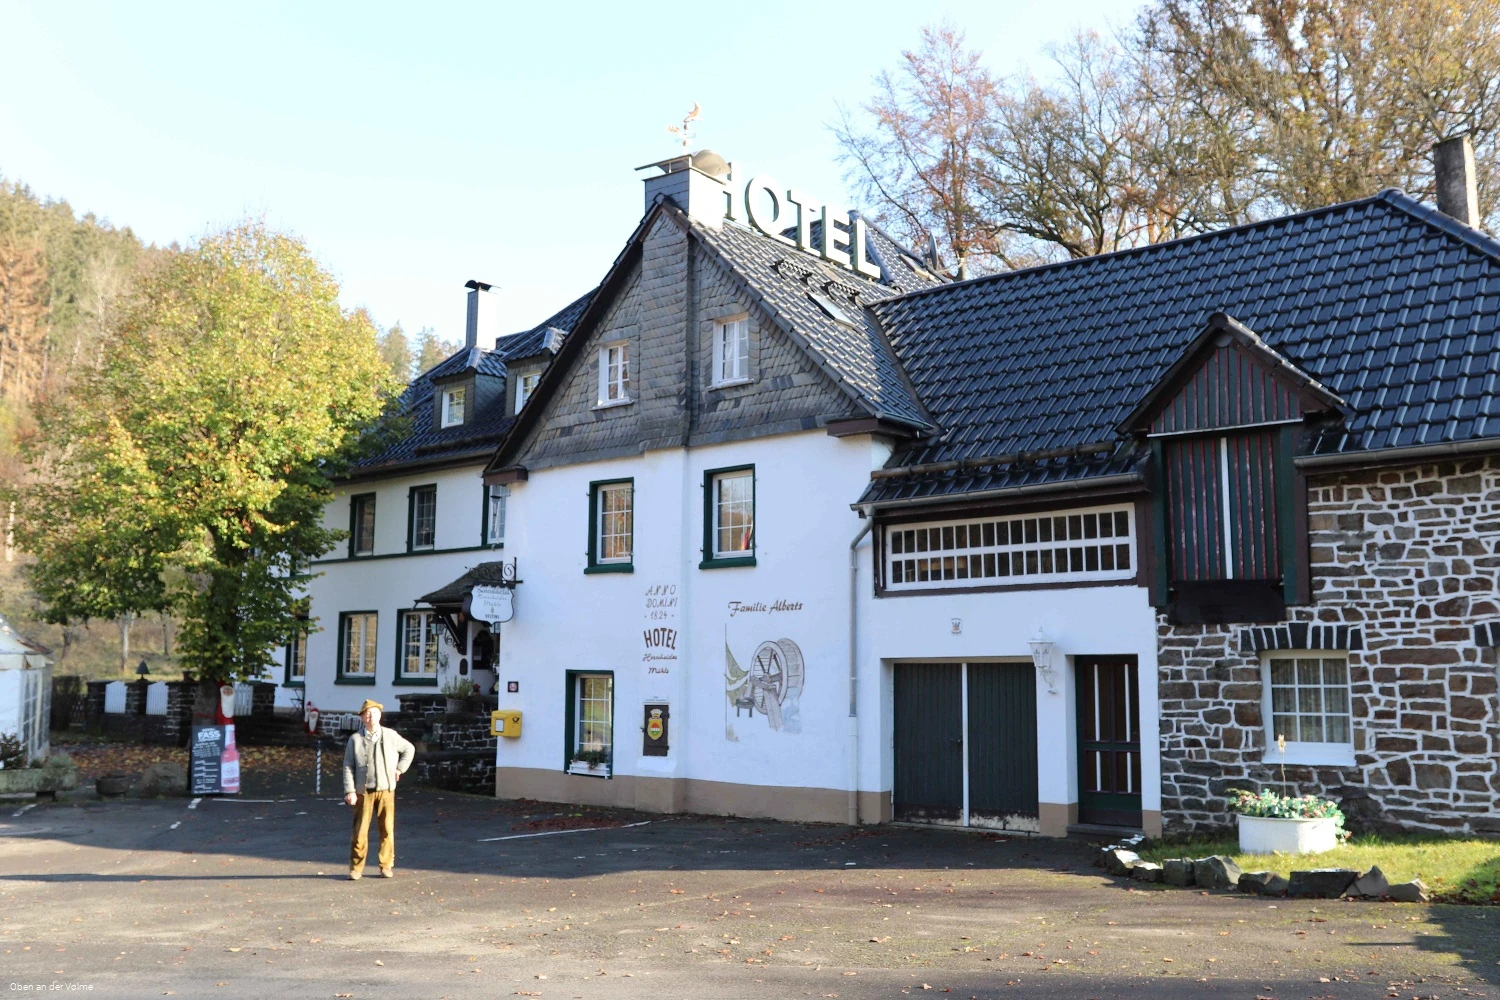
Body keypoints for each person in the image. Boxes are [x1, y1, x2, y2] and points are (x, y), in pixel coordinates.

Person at [342, 699, 415, 880]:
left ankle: (386, 866)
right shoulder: (355, 739)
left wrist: (399, 769)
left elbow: (409, 749)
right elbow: (348, 766)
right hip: (363, 791)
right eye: (366, 713)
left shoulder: (390, 735)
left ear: (380, 715)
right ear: (361, 717)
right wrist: (350, 790)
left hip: (386, 790)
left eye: (374, 712)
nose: (370, 716)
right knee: (359, 831)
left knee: (387, 830)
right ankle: (356, 868)